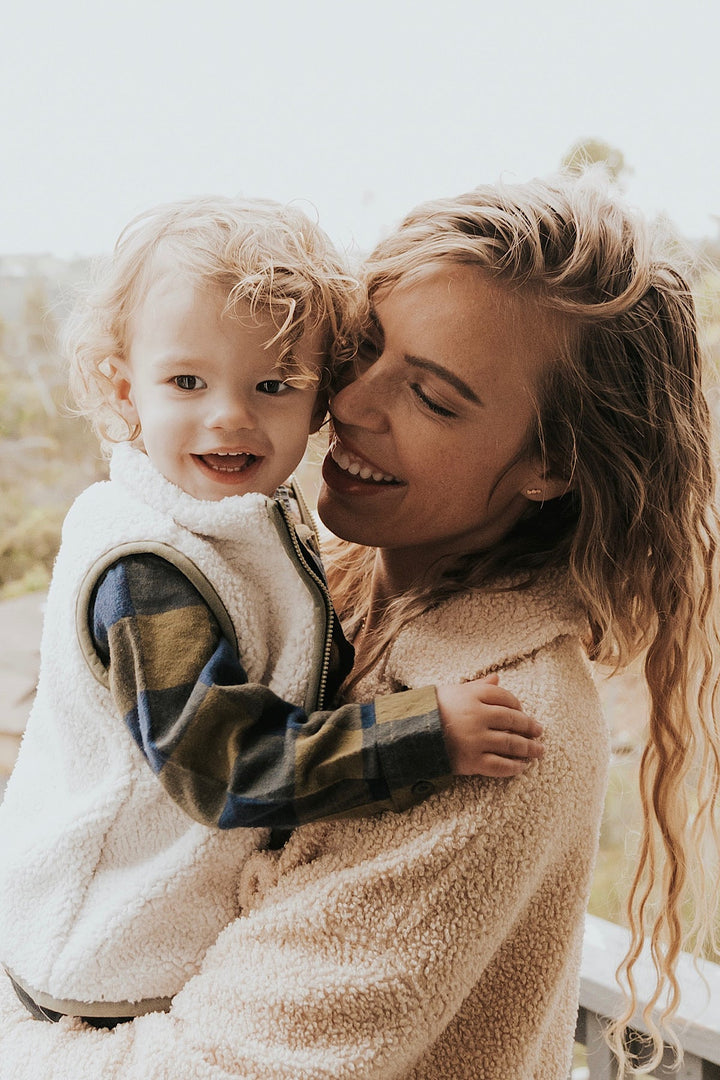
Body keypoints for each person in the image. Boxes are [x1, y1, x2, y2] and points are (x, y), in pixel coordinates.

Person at [0, 171, 718, 1079]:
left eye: (433, 396)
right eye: (364, 349)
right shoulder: (319, 586)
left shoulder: (503, 723)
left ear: (551, 464)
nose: (351, 403)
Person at [0, 196, 542, 1029]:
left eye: (272, 385)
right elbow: (223, 766)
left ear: (319, 399)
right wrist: (421, 732)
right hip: (101, 950)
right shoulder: (151, 569)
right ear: (125, 387)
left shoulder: (234, 518)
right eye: (187, 382)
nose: (231, 415)